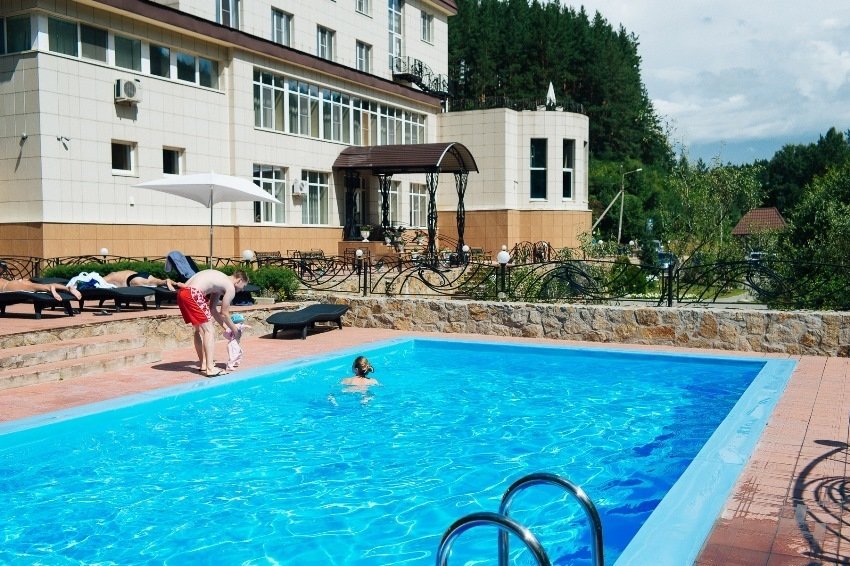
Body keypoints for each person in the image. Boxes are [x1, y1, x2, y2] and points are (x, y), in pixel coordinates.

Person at [176, 269, 249, 377]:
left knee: (199, 329)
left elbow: (212, 309)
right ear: (239, 280)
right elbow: (224, 313)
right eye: (243, 286)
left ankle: (204, 364)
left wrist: (226, 328)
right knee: (209, 331)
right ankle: (210, 368)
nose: (242, 289)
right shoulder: (230, 287)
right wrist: (235, 331)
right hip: (193, 294)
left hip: (182, 293)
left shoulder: (220, 280)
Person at [0, 278, 82, 301]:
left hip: (8, 287)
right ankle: (67, 288)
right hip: (15, 282)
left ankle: (50, 288)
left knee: (35, 287)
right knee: (36, 286)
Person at [104, 270, 177, 291]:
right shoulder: (114, 275)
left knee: (150, 282)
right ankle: (175, 283)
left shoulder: (111, 276)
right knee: (152, 281)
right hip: (143, 275)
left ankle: (166, 281)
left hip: (132, 279)